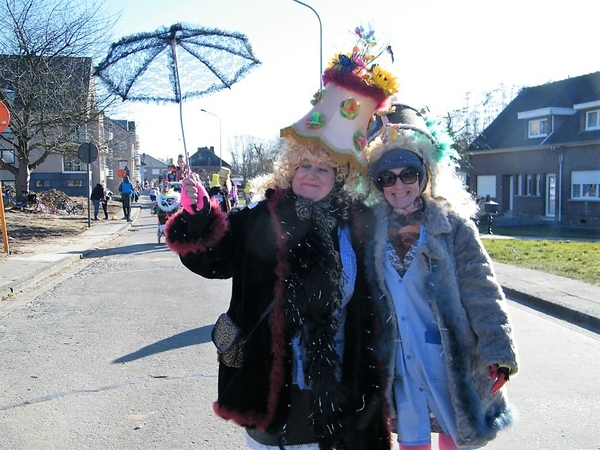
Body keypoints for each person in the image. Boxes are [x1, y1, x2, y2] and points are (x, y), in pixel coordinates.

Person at [165, 29, 398, 450]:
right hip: (269, 382)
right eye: (304, 164)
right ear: (290, 169)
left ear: (339, 177)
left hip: (337, 390)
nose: (311, 173)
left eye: (323, 168)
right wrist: (199, 217)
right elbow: (211, 260)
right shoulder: (260, 218)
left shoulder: (359, 227)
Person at [364, 104, 519, 450]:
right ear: (378, 184)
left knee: (455, 438)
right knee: (412, 441)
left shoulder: (454, 228)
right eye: (388, 177)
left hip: (451, 359)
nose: (398, 185)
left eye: (408, 174)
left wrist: (499, 350)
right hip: (400, 361)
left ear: (423, 176)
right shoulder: (369, 231)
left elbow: (483, 292)